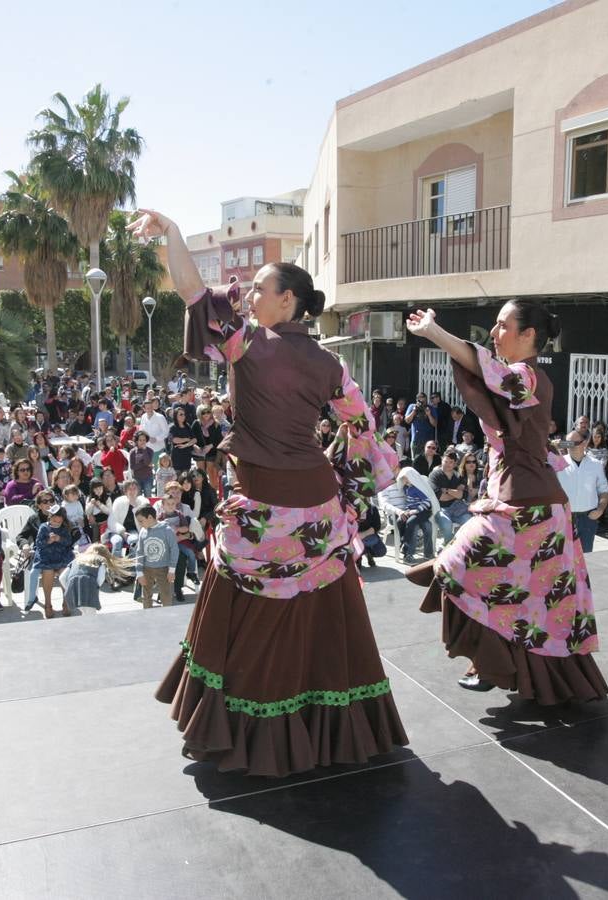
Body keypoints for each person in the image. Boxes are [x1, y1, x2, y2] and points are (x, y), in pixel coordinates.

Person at [138, 207, 406, 777]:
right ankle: (326, 727)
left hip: (263, 503)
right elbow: (362, 426)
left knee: (244, 614)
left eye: (259, 288)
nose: (248, 294)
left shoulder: (247, 346)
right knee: (318, 613)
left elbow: (190, 291)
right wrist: (346, 480)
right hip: (316, 503)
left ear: (287, 301)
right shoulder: (331, 364)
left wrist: (173, 234)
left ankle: (240, 730)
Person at [404, 300, 608, 703]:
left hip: (527, 505)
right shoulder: (529, 380)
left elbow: (485, 368)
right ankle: (523, 673)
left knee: (462, 568)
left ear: (528, 335)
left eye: (501, 326)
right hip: (534, 502)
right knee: (534, 600)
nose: (494, 334)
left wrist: (434, 332)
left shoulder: (525, 376)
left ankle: (489, 660)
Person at [557, 429, 608, 552]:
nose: (570, 445)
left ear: (584, 443)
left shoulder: (596, 464)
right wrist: (553, 446)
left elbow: (603, 489)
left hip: (588, 518)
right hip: (564, 517)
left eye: (574, 442)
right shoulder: (558, 463)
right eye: (567, 442)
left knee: (586, 556)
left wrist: (600, 509)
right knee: (564, 557)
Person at [33, 506, 75, 618]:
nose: (56, 523)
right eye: (54, 520)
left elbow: (68, 542)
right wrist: (48, 540)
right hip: (47, 556)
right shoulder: (43, 527)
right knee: (48, 572)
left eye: (59, 521)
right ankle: (48, 604)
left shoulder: (64, 528)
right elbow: (38, 544)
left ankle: (66, 601)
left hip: (62, 556)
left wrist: (59, 539)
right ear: (50, 518)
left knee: (64, 572)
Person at [134, 505, 177, 609]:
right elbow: (139, 552)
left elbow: (174, 550)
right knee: (146, 595)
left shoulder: (167, 530)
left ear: (150, 517)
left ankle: (167, 617)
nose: (140, 524)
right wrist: (139, 572)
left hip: (163, 569)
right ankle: (148, 617)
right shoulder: (143, 532)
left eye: (141, 521)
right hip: (147, 569)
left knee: (165, 595)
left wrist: (171, 570)